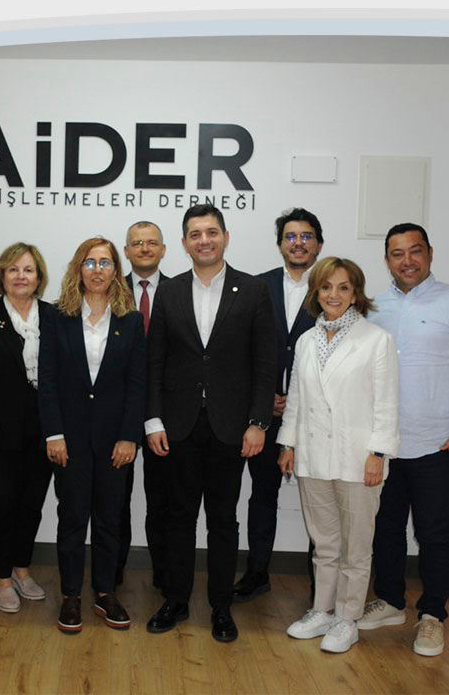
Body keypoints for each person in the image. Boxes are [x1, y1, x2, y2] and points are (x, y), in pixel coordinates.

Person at [359, 223, 449, 657]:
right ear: (386, 260)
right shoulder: (371, 308)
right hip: (383, 444)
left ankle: (433, 614)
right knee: (385, 528)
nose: (407, 261)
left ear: (430, 254)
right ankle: (391, 601)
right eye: (397, 253)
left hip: (438, 443)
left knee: (435, 532)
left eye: (415, 251)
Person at [145, 204, 277, 643]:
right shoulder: (169, 292)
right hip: (178, 425)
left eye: (212, 232)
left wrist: (258, 422)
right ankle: (177, 600)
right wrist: (153, 419)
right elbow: (155, 361)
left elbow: (265, 364)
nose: (204, 240)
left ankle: (221, 606)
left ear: (225, 237)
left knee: (223, 520)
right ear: (184, 243)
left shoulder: (253, 290)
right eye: (196, 234)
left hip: (231, 427)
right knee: (179, 517)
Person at [278, 257, 399, 654]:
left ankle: (348, 618)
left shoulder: (376, 340)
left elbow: (386, 403)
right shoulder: (306, 341)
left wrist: (378, 452)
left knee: (356, 547)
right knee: (325, 543)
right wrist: (288, 443)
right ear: (316, 293)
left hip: (357, 459)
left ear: (355, 293)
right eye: (326, 287)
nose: (334, 295)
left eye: (343, 287)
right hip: (313, 455)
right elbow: (296, 399)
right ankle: (322, 610)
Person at [39, 236, 145, 634]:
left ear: (116, 270)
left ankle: (104, 592)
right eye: (89, 262)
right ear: (78, 269)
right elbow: (48, 380)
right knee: (72, 518)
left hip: (115, 441)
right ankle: (70, 595)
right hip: (69, 440)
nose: (97, 270)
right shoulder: (58, 316)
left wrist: (129, 436)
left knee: (109, 520)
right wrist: (54, 433)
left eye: (105, 263)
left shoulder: (130, 320)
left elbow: (137, 384)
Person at [235, 207, 323, 603]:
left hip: (316, 418)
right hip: (266, 415)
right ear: (280, 244)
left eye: (306, 236)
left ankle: (322, 580)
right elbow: (241, 350)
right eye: (290, 236)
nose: (298, 243)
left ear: (318, 244)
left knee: (320, 501)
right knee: (262, 495)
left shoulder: (332, 287)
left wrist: (300, 400)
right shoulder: (257, 287)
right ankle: (257, 572)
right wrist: (261, 398)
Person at [0, 242, 56, 613]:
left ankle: (21, 569)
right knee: (1, 503)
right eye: (14, 269)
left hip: (44, 430)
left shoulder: (54, 316)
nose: (21, 276)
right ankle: (1, 577)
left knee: (31, 504)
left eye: (28, 270)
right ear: (1, 275)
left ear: (39, 277)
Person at [119, 220, 172, 591]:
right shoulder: (108, 289)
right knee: (115, 499)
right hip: (118, 409)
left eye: (152, 242)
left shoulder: (180, 290)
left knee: (162, 499)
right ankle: (113, 572)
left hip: (165, 412)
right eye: (137, 243)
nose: (145, 248)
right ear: (126, 251)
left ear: (164, 249)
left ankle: (164, 574)